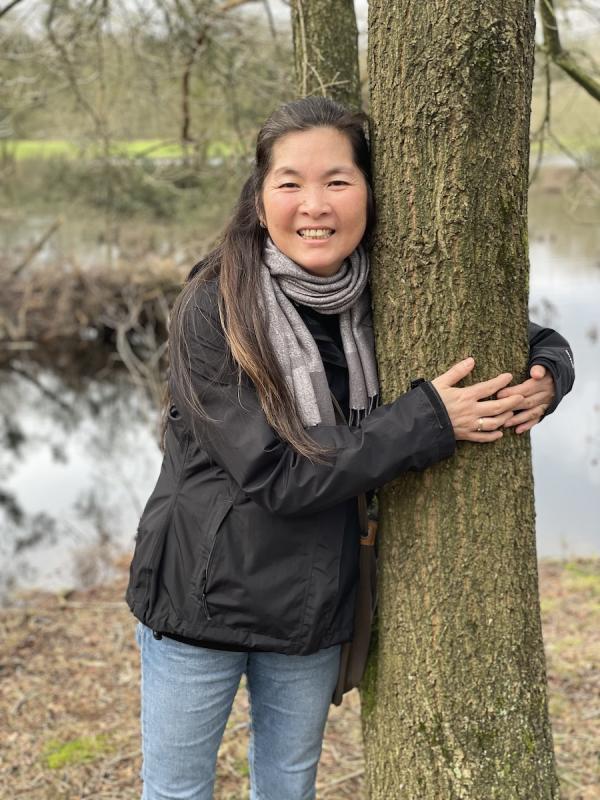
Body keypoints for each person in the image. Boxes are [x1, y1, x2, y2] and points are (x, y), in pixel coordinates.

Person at [126, 96, 575, 800]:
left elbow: (503, 329)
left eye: (337, 181)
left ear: (371, 190)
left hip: (314, 598)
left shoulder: (388, 290)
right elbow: (275, 474)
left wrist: (551, 370)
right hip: (200, 597)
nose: (315, 205)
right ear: (260, 195)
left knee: (287, 786)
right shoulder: (214, 308)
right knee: (178, 791)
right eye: (290, 183)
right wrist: (428, 419)